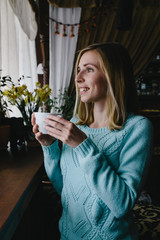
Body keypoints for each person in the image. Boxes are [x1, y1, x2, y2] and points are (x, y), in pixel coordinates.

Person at [32, 42, 153, 240]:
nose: (78, 78)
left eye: (89, 69)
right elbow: (65, 190)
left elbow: (122, 205)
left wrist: (83, 145)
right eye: (78, 70)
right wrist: (49, 146)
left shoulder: (137, 128)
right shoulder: (75, 124)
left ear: (113, 76)